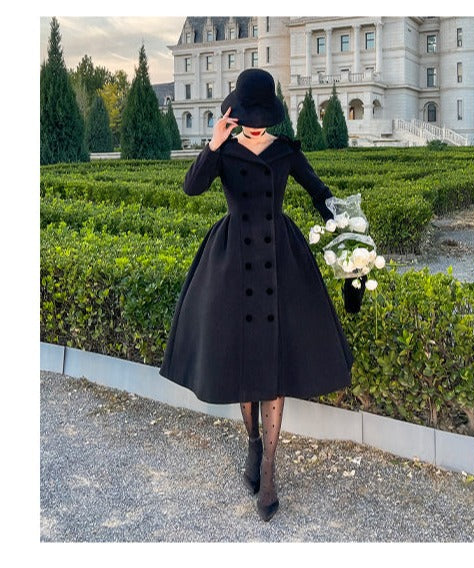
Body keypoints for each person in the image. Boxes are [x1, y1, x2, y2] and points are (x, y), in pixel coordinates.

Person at [159, 68, 358, 522]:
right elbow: (191, 187)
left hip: (279, 260)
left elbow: (320, 193)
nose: (253, 125)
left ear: (270, 114)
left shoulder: (286, 151)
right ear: (235, 113)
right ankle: (252, 443)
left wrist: (351, 230)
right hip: (232, 261)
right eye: (246, 117)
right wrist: (213, 143)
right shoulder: (224, 151)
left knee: (273, 362)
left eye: (259, 117)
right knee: (242, 359)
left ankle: (269, 467)